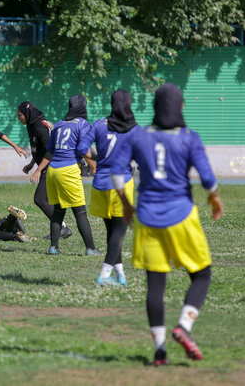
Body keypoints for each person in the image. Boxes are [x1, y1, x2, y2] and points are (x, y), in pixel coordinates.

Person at [110, 83, 224, 366]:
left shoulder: (139, 137)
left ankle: (159, 350)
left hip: (147, 218)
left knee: (155, 285)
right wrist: (214, 198)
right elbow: (207, 177)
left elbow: (116, 172)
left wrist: (126, 203)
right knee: (202, 274)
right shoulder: (189, 137)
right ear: (180, 106)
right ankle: (183, 326)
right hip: (182, 216)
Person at [31, 95, 101, 256]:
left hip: (53, 171)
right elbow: (84, 150)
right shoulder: (83, 125)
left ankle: (53, 247)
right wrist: (96, 162)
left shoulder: (59, 124)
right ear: (83, 107)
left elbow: (50, 151)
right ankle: (90, 248)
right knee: (80, 212)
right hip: (68, 170)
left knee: (58, 210)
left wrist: (39, 169)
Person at [88, 90, 139, 286]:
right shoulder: (134, 128)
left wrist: (99, 158)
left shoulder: (99, 124)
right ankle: (104, 275)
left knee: (112, 231)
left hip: (100, 182)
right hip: (122, 184)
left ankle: (120, 275)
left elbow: (82, 148)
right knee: (120, 231)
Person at [17, 101, 72, 240]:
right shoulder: (31, 125)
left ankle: (63, 228)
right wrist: (31, 164)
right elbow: (38, 150)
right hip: (46, 166)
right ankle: (62, 228)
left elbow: (49, 152)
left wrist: (38, 170)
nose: (18, 118)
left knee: (40, 199)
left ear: (27, 114)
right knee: (46, 199)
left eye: (20, 115)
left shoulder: (41, 128)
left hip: (54, 166)